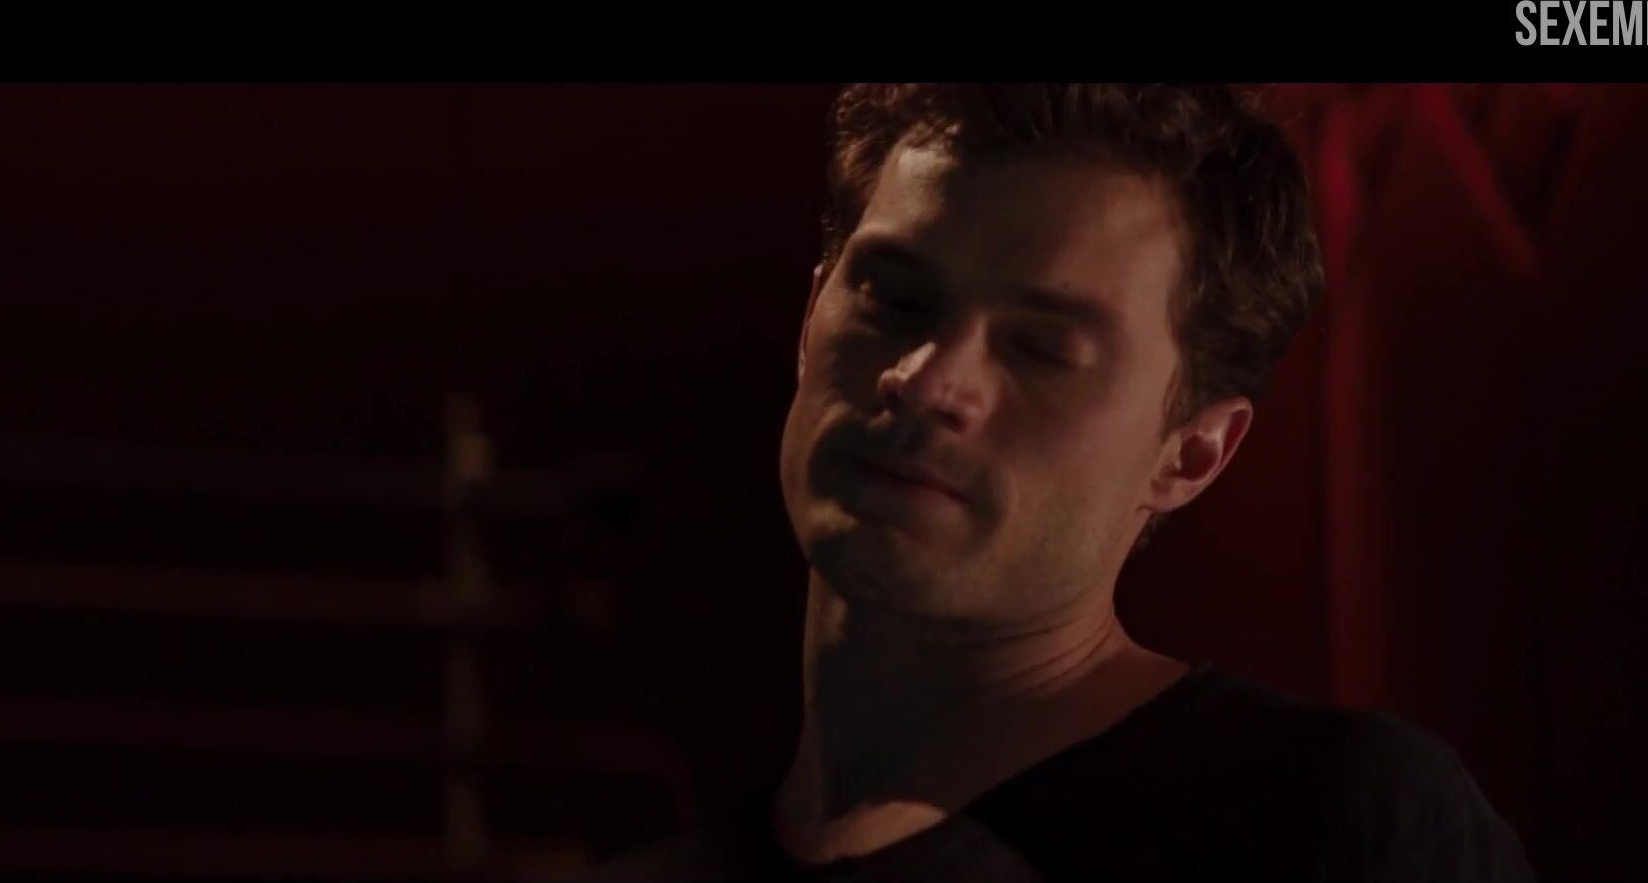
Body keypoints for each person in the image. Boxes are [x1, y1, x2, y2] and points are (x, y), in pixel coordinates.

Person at [583, 83, 1534, 882]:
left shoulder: (1332, 828)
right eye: (896, 298)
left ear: (1192, 452)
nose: (926, 379)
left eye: (1040, 348)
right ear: (809, 320)